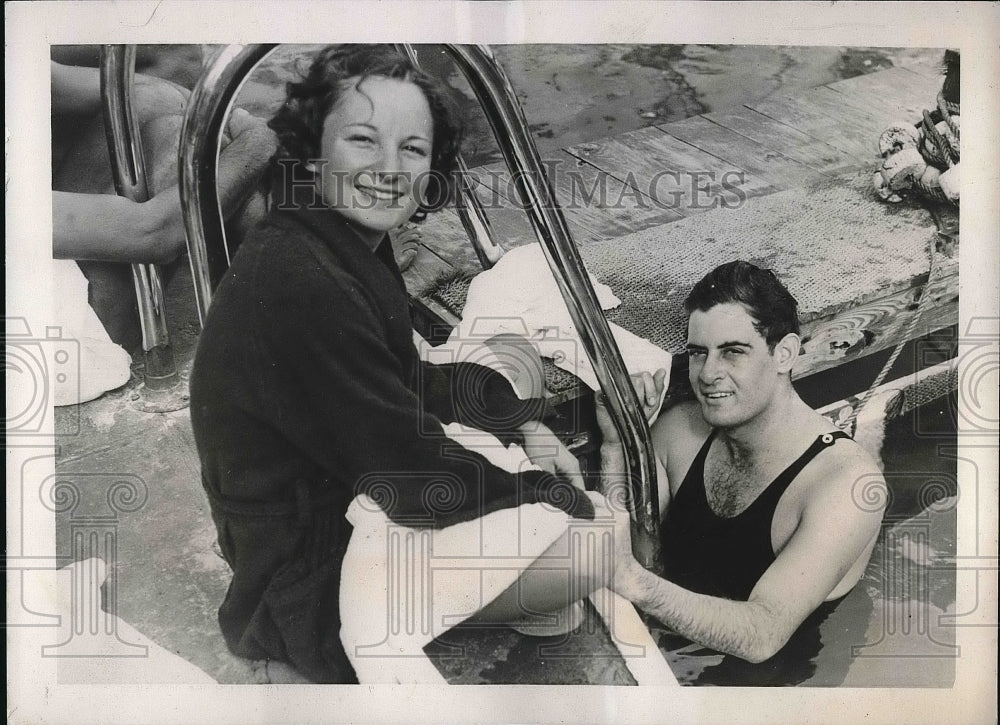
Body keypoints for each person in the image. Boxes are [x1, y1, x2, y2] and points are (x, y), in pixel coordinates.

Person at [189, 44, 612, 684]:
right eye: (364, 140)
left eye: (412, 150)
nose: (389, 168)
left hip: (333, 500)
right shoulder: (305, 282)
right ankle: (473, 606)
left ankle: (496, 586)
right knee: (596, 548)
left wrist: (522, 421)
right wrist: (549, 494)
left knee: (503, 381)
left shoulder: (336, 236)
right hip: (301, 584)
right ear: (313, 149)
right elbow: (409, 477)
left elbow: (400, 383)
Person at [599, 260, 887, 685]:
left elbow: (762, 634)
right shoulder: (681, 431)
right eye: (699, 353)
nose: (708, 373)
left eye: (732, 351)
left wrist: (630, 582)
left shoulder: (846, 485)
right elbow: (627, 539)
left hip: (773, 687)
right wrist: (614, 443)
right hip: (671, 657)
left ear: (784, 353)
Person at [51, 57, 274, 352]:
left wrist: (220, 120)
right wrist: (259, 142)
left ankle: (286, 254)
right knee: (180, 149)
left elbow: (144, 89)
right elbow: (154, 232)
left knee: (161, 107)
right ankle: (293, 263)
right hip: (58, 345)